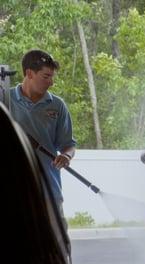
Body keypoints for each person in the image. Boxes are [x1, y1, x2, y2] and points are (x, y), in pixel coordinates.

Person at [9, 49, 76, 216]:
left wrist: (66, 156)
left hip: (49, 191)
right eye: (46, 77)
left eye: (52, 77)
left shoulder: (57, 105)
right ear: (29, 73)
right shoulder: (4, 99)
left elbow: (68, 145)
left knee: (56, 241)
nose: (51, 82)